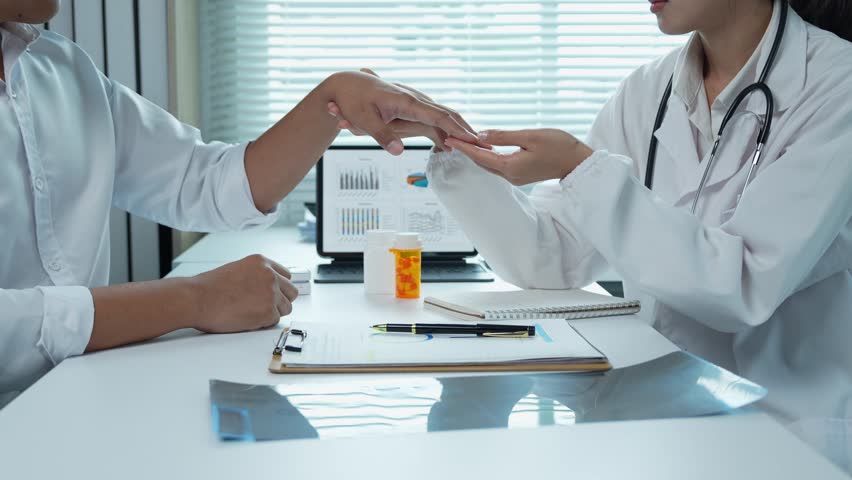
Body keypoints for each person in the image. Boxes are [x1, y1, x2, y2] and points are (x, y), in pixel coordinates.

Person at [332, 0, 852, 446]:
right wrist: (453, 147)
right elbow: (552, 258)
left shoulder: (837, 86)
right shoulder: (648, 91)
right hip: (660, 417)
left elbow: (740, 288)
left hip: (785, 429)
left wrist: (580, 168)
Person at [0, 0, 482, 408]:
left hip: (71, 397)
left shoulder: (62, 69)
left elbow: (201, 183)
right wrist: (193, 299)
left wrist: (333, 99)